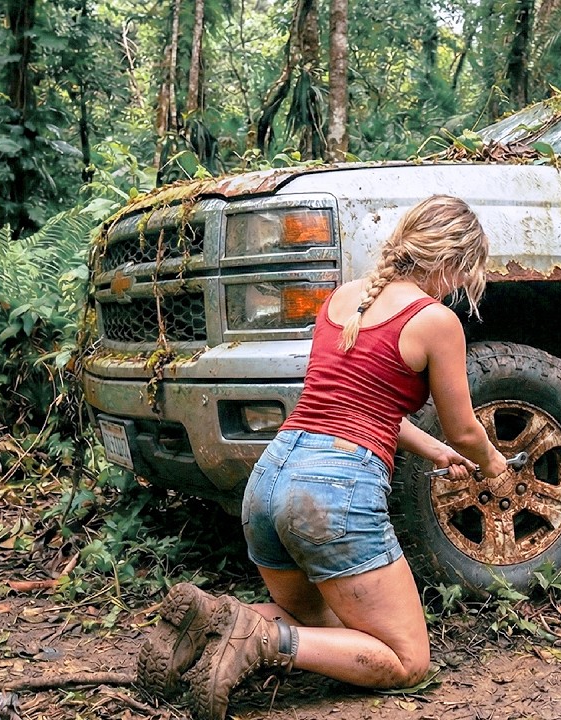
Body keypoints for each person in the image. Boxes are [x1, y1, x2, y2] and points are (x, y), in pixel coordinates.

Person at [136, 195, 509, 720]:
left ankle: (210, 622)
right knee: (407, 661)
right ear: (457, 263)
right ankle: (260, 642)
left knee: (310, 619)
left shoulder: (344, 300)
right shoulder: (433, 320)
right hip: (332, 493)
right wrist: (493, 464)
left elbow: (358, 407)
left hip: (271, 478)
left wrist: (436, 452)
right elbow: (467, 428)